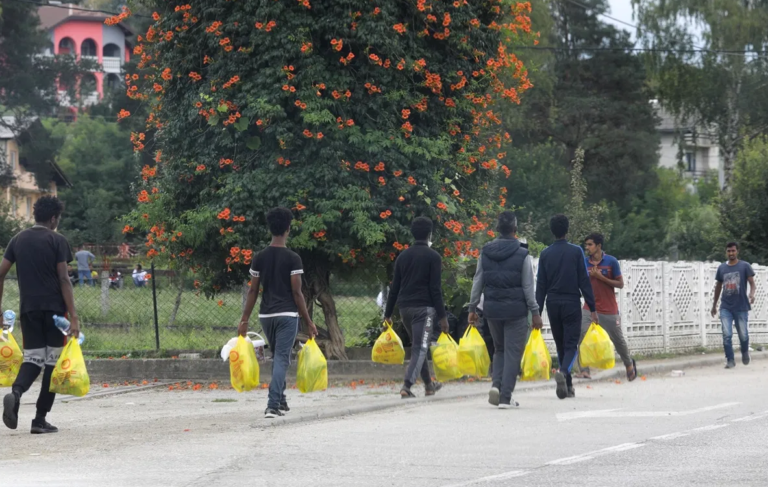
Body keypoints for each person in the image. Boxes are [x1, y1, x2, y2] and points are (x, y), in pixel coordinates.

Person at [0, 196, 80, 434]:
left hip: (28, 309)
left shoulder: (17, 239)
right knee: (52, 364)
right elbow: (64, 278)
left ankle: (16, 392)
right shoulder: (57, 240)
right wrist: (73, 316)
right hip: (55, 312)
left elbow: (1, 273)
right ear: (53, 218)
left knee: (33, 358)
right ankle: (39, 419)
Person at [238, 207, 317, 419]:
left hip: (266, 316)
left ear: (270, 228)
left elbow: (253, 290)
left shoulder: (259, 257)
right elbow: (297, 293)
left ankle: (281, 399)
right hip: (288, 315)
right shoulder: (293, 258)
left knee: (278, 356)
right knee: (282, 357)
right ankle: (272, 405)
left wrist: (244, 319)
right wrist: (309, 321)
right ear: (288, 229)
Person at [468, 211, 542, 409]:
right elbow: (528, 287)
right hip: (516, 311)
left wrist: (473, 307)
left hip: (492, 310)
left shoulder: (486, 252)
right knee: (512, 352)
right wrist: (535, 312)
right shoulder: (522, 254)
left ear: (497, 229)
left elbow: (478, 281)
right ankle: (505, 397)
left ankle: (496, 386)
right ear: (515, 230)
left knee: (499, 349)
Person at [384, 216, 449, 399]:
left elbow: (394, 288)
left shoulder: (402, 257)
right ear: (430, 234)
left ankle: (429, 385)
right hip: (425, 310)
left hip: (405, 309)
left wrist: (388, 314)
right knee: (420, 348)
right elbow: (435, 289)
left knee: (419, 347)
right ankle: (407, 385)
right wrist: (443, 317)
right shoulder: (433, 257)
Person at [536, 214, 597, 400]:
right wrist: (592, 307)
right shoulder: (576, 252)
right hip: (571, 302)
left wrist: (536, 313)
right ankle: (563, 372)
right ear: (567, 229)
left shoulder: (545, 254)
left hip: (552, 303)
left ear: (552, 231)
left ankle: (568, 386)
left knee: (561, 344)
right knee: (571, 344)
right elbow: (583, 281)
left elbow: (541, 286)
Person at [578, 233, 636, 381]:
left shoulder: (611, 262)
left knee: (618, 340)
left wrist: (601, 278)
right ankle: (584, 370)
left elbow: (620, 284)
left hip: (609, 309)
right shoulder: (585, 262)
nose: (587, 248)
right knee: (581, 335)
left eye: (590, 245)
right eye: (586, 245)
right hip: (589, 308)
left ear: (598, 246)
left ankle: (629, 365)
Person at [711, 242, 756, 369]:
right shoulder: (722, 268)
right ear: (726, 252)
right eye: (729, 251)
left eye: (733, 251)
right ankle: (730, 360)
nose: (731, 253)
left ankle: (744, 351)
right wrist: (714, 305)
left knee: (743, 334)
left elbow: (752, 283)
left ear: (737, 251)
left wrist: (752, 294)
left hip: (741, 307)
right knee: (727, 334)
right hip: (726, 307)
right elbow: (718, 287)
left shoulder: (744, 266)